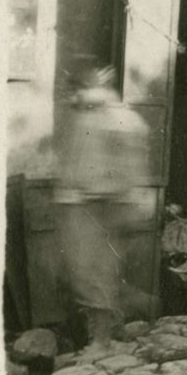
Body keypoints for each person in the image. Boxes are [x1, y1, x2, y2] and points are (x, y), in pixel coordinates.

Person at [55, 65, 153, 358]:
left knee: (94, 272)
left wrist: (127, 195)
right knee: (96, 272)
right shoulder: (88, 117)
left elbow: (129, 164)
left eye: (74, 90)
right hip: (90, 203)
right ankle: (112, 330)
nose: (70, 96)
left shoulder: (113, 119)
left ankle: (102, 342)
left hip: (103, 205)